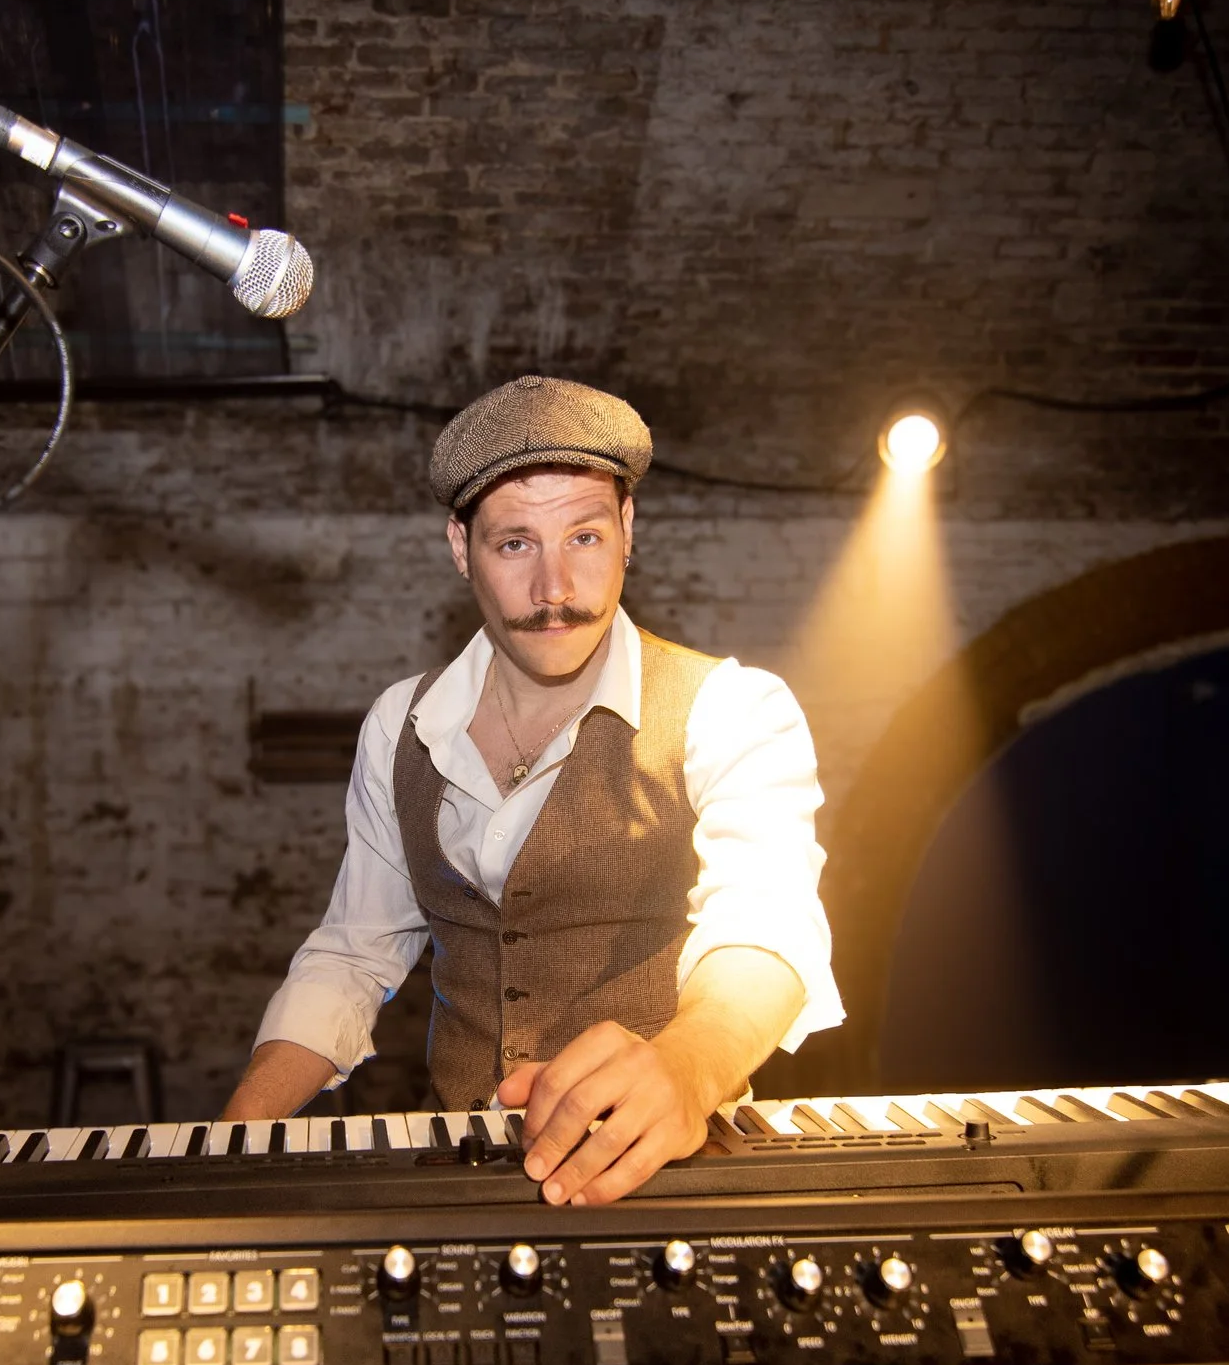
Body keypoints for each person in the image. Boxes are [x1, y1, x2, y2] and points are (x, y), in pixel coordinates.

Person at [224, 375, 842, 1205]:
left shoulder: (731, 709)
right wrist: (231, 1136)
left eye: (583, 536)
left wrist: (687, 1068)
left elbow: (765, 927)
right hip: (457, 1181)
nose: (556, 589)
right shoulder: (398, 726)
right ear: (460, 547)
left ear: (627, 529)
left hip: (661, 1182)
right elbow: (352, 952)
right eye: (516, 543)